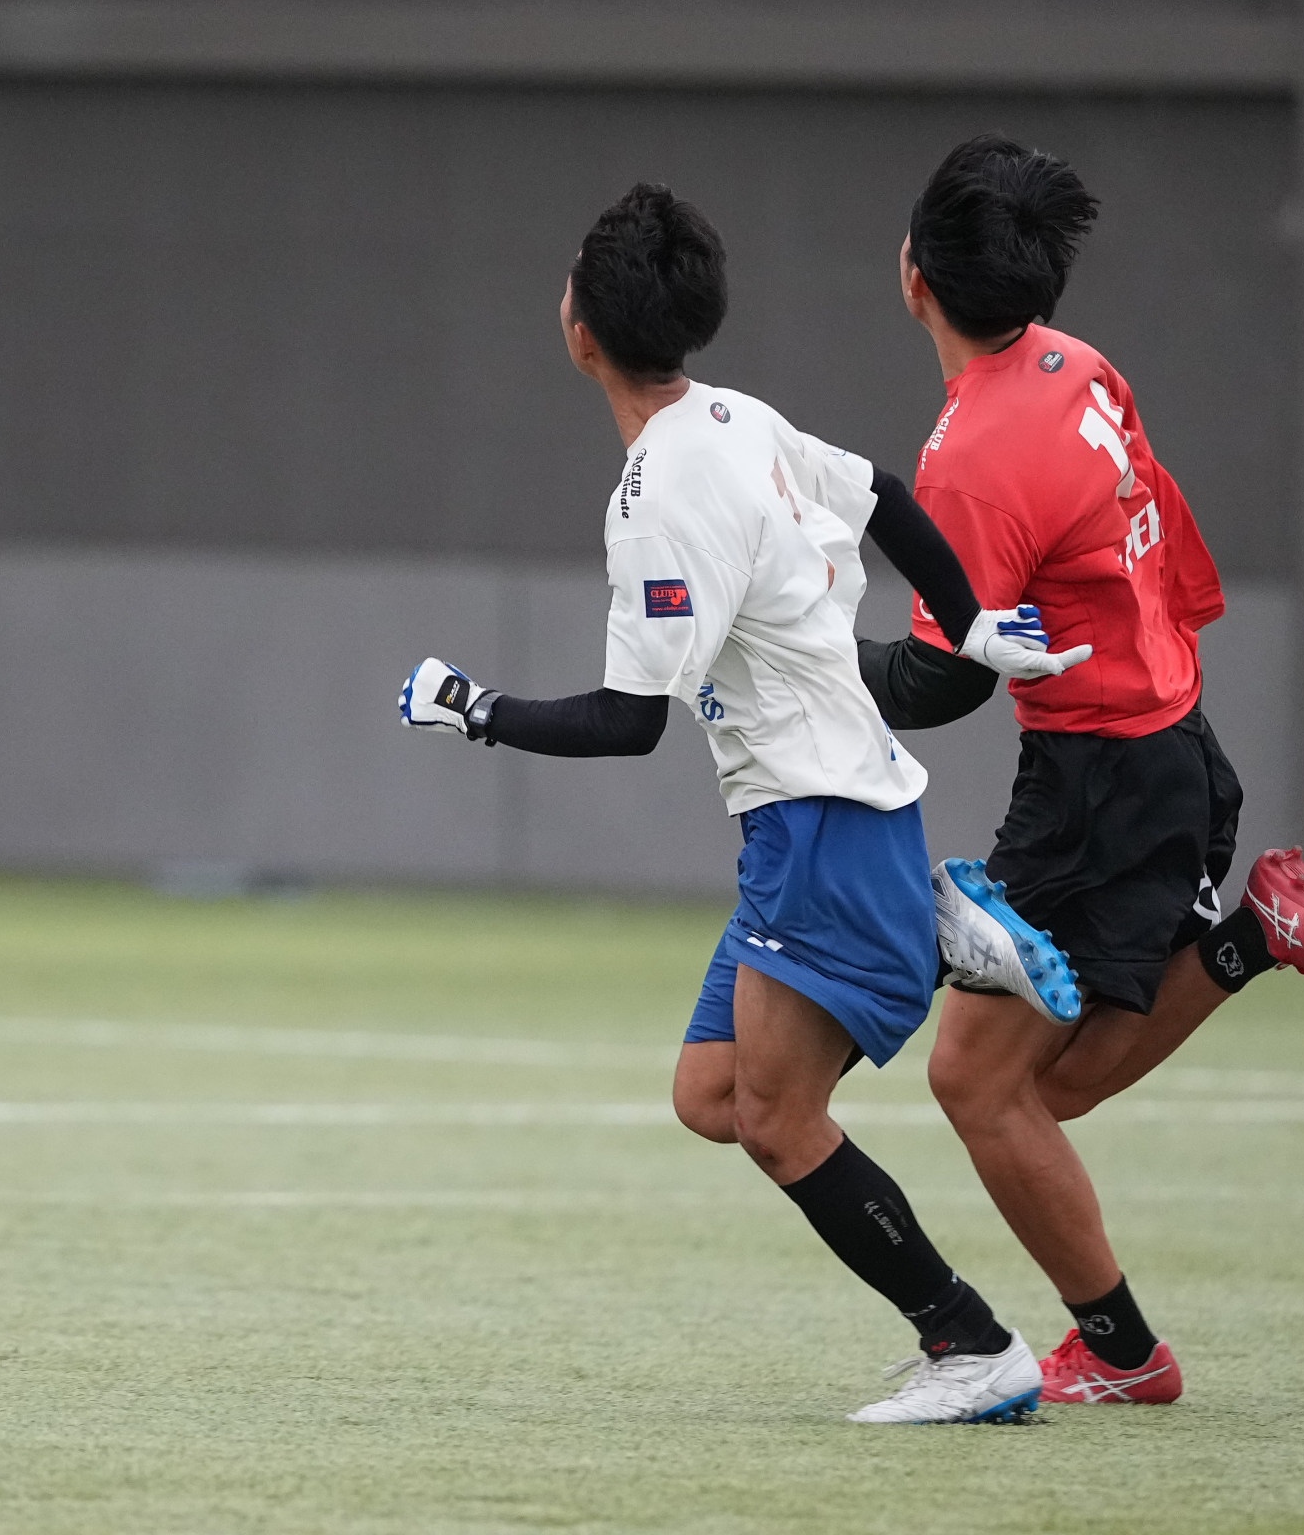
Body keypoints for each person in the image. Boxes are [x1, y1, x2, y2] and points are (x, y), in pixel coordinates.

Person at [397, 182, 1089, 1423]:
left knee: (776, 1119)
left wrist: (475, 707)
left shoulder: (654, 499)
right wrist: (970, 619)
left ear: (581, 331)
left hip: (819, 820)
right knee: (711, 1097)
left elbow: (629, 721)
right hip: (820, 815)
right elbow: (883, 493)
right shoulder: (736, 414)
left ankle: (972, 1344)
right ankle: (933, 925)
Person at [860, 133, 1304, 1407]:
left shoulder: (968, 456)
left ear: (913, 275)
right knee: (1046, 1087)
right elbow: (1147, 517)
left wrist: (804, 657)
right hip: (1170, 745)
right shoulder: (1079, 363)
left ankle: (1123, 1354)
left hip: (1096, 777)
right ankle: (1259, 931)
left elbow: (945, 679)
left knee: (976, 1080)